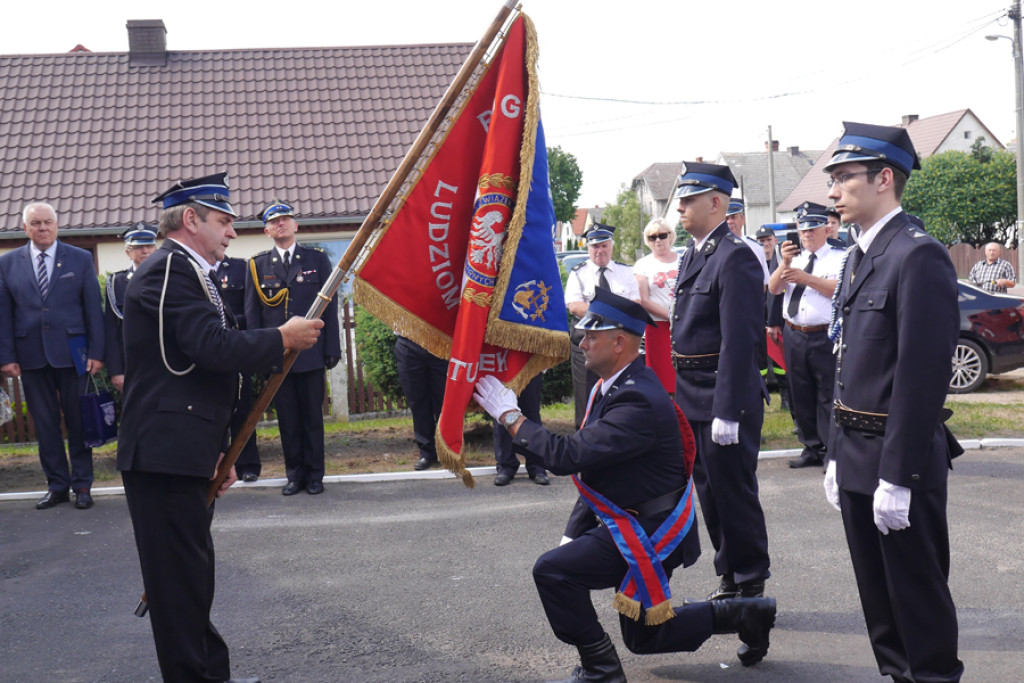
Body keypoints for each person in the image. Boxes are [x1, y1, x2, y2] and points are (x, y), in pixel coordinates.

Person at [473, 288, 777, 681]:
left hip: (650, 532)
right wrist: (573, 534)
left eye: (591, 336)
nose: (582, 343)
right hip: (630, 522)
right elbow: (599, 472)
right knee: (648, 637)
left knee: (552, 572)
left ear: (619, 342)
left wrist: (511, 417)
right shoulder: (615, 386)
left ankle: (602, 669)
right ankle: (747, 613)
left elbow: (567, 457)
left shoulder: (636, 400)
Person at [117, 172, 324, 683]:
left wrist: (217, 448)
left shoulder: (187, 269)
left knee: (190, 579)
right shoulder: (170, 269)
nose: (232, 233)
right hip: (162, 455)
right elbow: (209, 349)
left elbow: (195, 371)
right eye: (224, 221)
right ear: (191, 220)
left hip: (182, 450)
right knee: (177, 587)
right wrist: (281, 335)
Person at [823, 122, 964, 682]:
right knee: (879, 605)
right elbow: (847, 362)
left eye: (843, 177)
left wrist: (899, 475)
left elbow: (921, 375)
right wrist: (836, 453)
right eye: (832, 179)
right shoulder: (860, 255)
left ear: (884, 178)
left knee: (917, 600)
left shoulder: (917, 255)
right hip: (857, 455)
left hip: (896, 460)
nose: (833, 191)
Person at [671, 162, 771, 602]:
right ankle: (729, 571)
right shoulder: (695, 252)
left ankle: (749, 580)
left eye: (689, 199)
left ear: (716, 203)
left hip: (721, 394)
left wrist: (727, 409)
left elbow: (739, 339)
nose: (680, 207)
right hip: (693, 394)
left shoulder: (734, 256)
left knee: (733, 493)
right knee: (709, 493)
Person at [0, 202, 105, 510]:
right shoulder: (7, 264)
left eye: (48, 222)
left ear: (57, 225)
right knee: (45, 426)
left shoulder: (81, 258)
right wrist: (6, 356)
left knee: (80, 424)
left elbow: (93, 311)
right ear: (25, 228)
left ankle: (83, 485)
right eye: (36, 223)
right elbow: (4, 315)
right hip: (30, 356)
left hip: (75, 355)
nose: (43, 228)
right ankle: (57, 485)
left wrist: (97, 353)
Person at [245, 199, 341, 496]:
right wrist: (258, 356)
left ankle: (315, 476)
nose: (280, 224)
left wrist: (332, 348)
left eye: (285, 219)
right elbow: (253, 316)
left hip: (310, 354)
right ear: (266, 231)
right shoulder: (258, 265)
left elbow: (330, 306)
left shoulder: (316, 260)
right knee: (287, 419)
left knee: (312, 418)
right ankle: (294, 475)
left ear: (295, 225)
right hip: (278, 357)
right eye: (274, 222)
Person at [768, 212, 842, 469]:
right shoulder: (791, 258)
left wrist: (806, 278)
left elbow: (840, 290)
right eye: (803, 231)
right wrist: (784, 264)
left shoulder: (839, 256)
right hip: (794, 332)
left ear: (825, 231)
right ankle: (811, 447)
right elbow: (774, 289)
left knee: (826, 393)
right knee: (800, 392)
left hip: (824, 334)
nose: (807, 235)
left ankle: (830, 450)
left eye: (812, 230)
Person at [564, 223, 639, 429]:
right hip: (587, 344)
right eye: (595, 247)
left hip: (618, 345)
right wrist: (611, 316)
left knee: (622, 391)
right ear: (588, 249)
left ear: (611, 246)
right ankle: (584, 438)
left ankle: (620, 431)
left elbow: (635, 303)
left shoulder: (625, 272)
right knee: (585, 394)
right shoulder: (578, 273)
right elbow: (575, 306)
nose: (600, 251)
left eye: (604, 245)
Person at [215, 254, 261, 482]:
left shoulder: (239, 268)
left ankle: (248, 464)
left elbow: (251, 309)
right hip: (208, 350)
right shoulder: (194, 269)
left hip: (237, 348)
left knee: (243, 410)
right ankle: (213, 465)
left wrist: (227, 324)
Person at [104, 223, 158, 393]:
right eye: (139, 247)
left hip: (165, 362)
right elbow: (111, 329)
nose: (145, 251)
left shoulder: (169, 278)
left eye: (149, 246)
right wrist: (115, 370)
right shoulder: (116, 283)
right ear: (128, 252)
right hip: (130, 364)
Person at [633, 217, 679, 395]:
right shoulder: (643, 265)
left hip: (684, 325)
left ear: (670, 236)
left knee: (682, 374)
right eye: (652, 237)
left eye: (662, 235)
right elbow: (644, 300)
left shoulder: (683, 260)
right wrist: (671, 315)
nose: (658, 240)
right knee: (661, 377)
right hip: (658, 326)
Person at [394, 335, 447, 470]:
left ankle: (448, 452)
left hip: (439, 341)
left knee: (445, 402)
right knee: (417, 402)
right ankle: (427, 453)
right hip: (408, 341)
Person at [491, 373, 547, 486]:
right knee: (502, 410)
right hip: (502, 360)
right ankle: (505, 465)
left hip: (530, 360)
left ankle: (537, 466)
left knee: (531, 413)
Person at [755, 225, 788, 410]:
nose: (766, 244)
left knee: (780, 362)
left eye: (768, 240)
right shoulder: (755, 261)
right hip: (759, 318)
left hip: (777, 317)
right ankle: (762, 396)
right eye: (762, 241)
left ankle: (785, 397)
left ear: (775, 240)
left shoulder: (780, 259)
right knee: (761, 363)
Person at [725, 197, 771, 285]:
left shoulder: (756, 248)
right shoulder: (717, 247)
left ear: (743, 219)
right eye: (726, 218)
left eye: (734, 217)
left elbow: (763, 284)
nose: (730, 221)